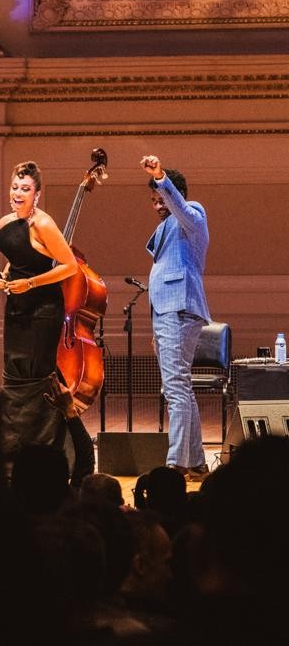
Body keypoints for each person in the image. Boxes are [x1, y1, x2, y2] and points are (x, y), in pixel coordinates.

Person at [0, 161, 93, 481]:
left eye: (25, 189)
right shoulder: (6, 221)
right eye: (15, 187)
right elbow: (19, 259)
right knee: (14, 375)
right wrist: (4, 278)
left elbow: (69, 267)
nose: (18, 193)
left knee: (37, 377)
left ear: (37, 194)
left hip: (43, 310)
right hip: (16, 306)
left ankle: (45, 448)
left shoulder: (44, 224)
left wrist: (30, 284)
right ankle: (12, 448)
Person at [140, 154, 210, 479]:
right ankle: (194, 461)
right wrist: (156, 329)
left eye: (161, 198)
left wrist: (160, 177)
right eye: (153, 200)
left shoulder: (192, 214)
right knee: (181, 386)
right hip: (170, 312)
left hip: (178, 308)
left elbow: (178, 205)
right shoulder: (168, 226)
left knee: (175, 388)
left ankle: (176, 465)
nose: (157, 205)